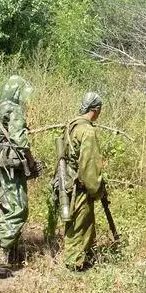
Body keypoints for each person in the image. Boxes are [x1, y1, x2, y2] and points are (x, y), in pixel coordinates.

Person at [0, 75, 36, 277]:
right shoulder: (14, 109)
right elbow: (20, 140)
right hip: (10, 167)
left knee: (6, 209)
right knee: (19, 211)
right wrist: (30, 160)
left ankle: (13, 255)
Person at [62, 92, 104, 271]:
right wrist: (96, 189)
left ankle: (80, 258)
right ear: (96, 110)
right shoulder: (87, 131)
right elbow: (89, 165)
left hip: (67, 182)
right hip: (79, 185)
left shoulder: (72, 125)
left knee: (78, 223)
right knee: (80, 225)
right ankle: (74, 264)